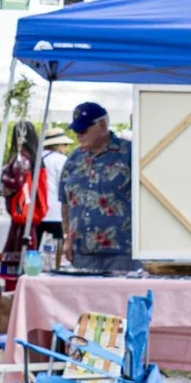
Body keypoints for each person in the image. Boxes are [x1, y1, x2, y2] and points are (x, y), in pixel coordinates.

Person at [61, 101, 136, 274]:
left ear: (102, 125)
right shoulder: (73, 158)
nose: (79, 135)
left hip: (121, 252)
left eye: (84, 130)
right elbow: (65, 201)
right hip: (82, 252)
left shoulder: (128, 153)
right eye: (76, 130)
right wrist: (67, 237)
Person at [0, 119, 45, 278]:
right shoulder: (34, 158)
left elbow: (17, 183)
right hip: (27, 216)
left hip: (21, 216)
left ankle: (16, 292)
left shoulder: (22, 159)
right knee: (27, 252)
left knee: (19, 254)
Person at [35, 128, 72, 256]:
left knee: (35, 249)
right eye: (65, 144)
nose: (66, 147)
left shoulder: (36, 158)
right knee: (57, 251)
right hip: (56, 211)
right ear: (58, 145)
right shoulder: (60, 159)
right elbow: (66, 186)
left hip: (37, 211)